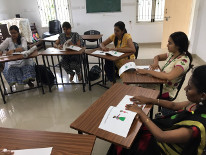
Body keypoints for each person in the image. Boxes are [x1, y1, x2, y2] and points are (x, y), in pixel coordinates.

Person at [107, 65, 206, 155]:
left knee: (125, 141)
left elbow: (161, 136)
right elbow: (174, 105)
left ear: (202, 95)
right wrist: (151, 100)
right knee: (132, 130)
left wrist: (141, 112)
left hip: (163, 148)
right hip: (167, 131)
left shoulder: (196, 128)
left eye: (189, 88)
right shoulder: (198, 103)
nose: (185, 89)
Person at [136, 31, 193, 99]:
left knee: (139, 90)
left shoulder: (183, 61)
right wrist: (155, 63)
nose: (167, 45)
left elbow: (169, 76)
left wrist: (147, 71)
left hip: (167, 90)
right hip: (160, 82)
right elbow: (157, 57)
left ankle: (147, 107)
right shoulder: (172, 54)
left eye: (170, 43)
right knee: (140, 84)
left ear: (178, 46)